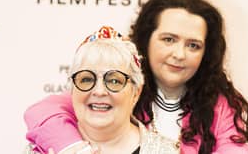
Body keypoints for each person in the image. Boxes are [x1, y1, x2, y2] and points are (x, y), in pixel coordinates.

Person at [24, 0, 248, 154]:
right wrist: (72, 148)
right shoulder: (116, 85)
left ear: (206, 53)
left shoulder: (220, 106)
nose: (179, 54)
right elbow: (42, 113)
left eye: (193, 45)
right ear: (146, 39)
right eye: (169, 39)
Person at [24, 26, 178, 154]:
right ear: (72, 89)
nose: (99, 91)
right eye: (86, 79)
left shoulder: (166, 151)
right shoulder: (40, 150)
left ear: (136, 92)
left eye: (114, 81)